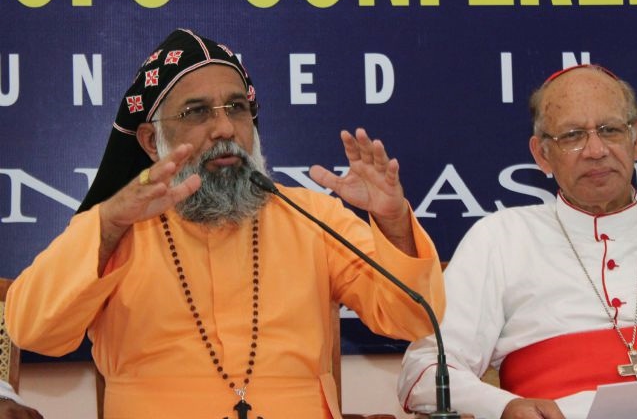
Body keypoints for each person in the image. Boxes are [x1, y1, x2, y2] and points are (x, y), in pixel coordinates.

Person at [5, 29, 445, 419]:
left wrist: (392, 222)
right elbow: (32, 329)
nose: (223, 128)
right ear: (150, 141)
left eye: (236, 108)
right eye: (196, 112)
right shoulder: (119, 227)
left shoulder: (311, 217)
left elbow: (412, 319)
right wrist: (106, 225)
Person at [397, 64, 637, 419]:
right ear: (542, 154)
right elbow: (424, 370)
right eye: (572, 136)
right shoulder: (499, 237)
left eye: (610, 130)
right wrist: (504, 408)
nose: (595, 150)